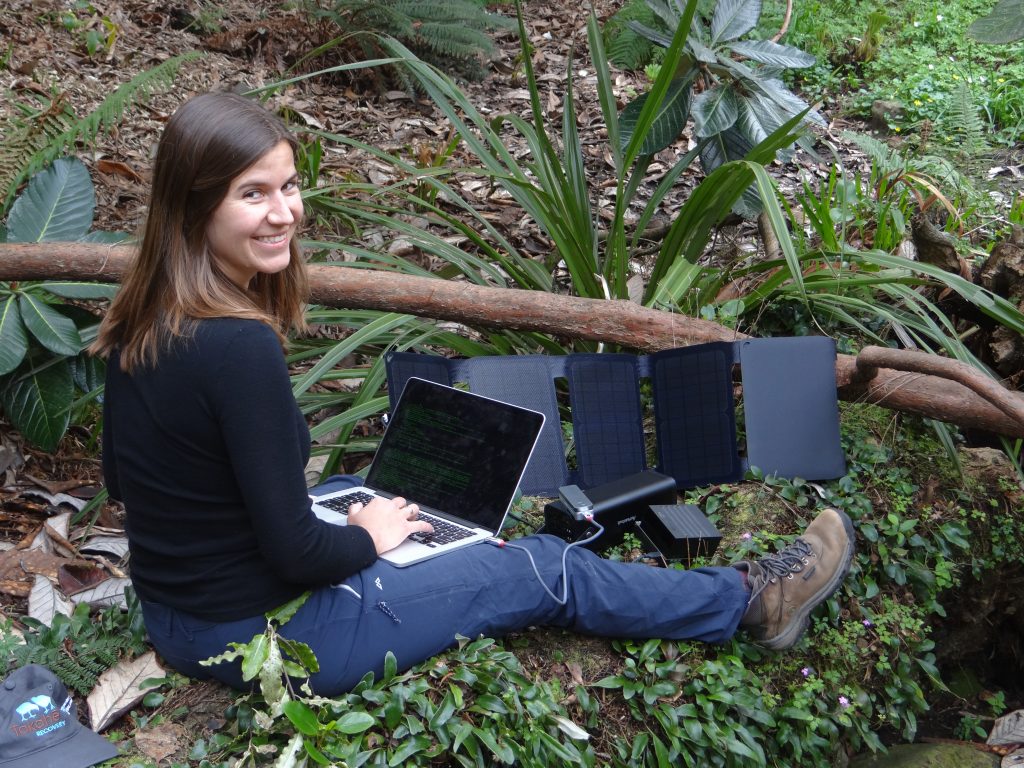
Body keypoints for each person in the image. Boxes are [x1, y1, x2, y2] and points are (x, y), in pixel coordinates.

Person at [91, 91, 856, 697]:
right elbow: (295, 552)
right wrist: (368, 542)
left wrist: (352, 518)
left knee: (368, 488)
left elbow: (130, 483)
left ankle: (439, 540)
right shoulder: (237, 345)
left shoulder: (140, 319)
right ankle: (751, 601)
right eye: (251, 194)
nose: (284, 212)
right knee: (542, 569)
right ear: (194, 208)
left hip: (179, 618)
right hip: (271, 636)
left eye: (289, 185)